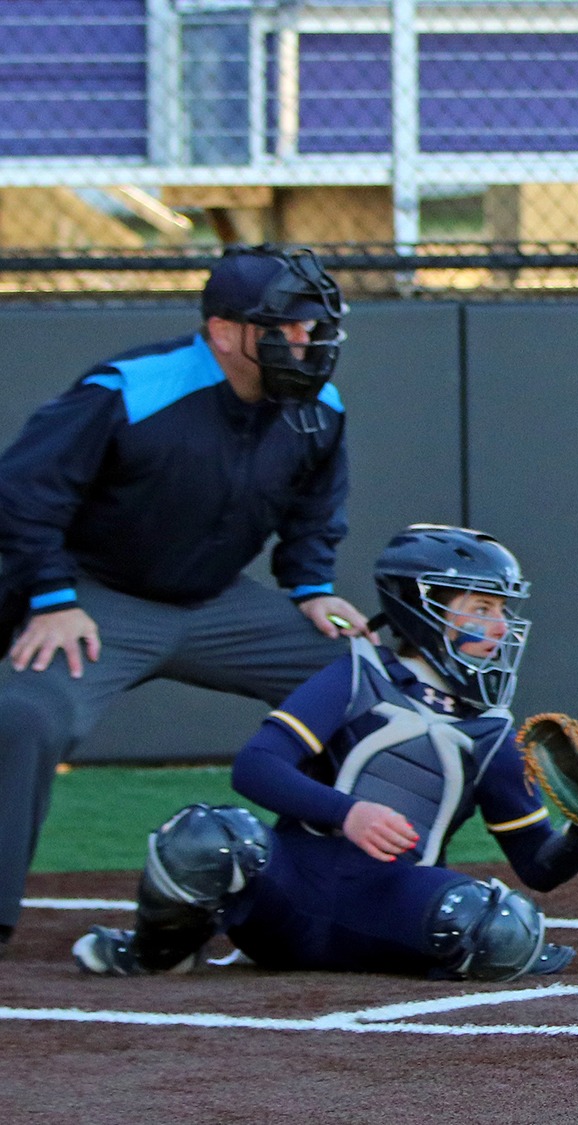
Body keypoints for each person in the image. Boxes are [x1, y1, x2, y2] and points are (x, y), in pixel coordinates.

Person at [0, 244, 370, 957]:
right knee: (22, 715)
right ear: (225, 331)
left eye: (314, 324)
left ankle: (334, 888)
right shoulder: (130, 389)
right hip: (96, 601)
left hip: (218, 602)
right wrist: (52, 597)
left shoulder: (319, 406)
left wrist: (311, 585)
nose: (307, 340)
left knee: (363, 684)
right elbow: (21, 492)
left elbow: (317, 506)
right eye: (287, 325)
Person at [72, 524, 578, 980]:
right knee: (206, 836)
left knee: (500, 926)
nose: (498, 626)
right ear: (421, 607)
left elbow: (538, 869)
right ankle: (152, 954)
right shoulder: (357, 675)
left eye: (501, 608)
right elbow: (256, 766)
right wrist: (348, 812)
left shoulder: (493, 732)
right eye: (481, 607)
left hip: (387, 902)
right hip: (286, 891)